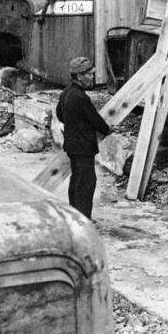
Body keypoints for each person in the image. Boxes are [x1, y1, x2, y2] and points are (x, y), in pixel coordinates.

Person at [56, 57, 110, 218]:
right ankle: (83, 220)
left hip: (72, 146)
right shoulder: (80, 97)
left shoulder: (66, 92)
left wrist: (73, 124)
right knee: (86, 185)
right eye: (89, 75)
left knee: (76, 182)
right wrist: (107, 130)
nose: (92, 77)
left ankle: (74, 216)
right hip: (84, 147)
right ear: (80, 76)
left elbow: (60, 114)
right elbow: (95, 119)